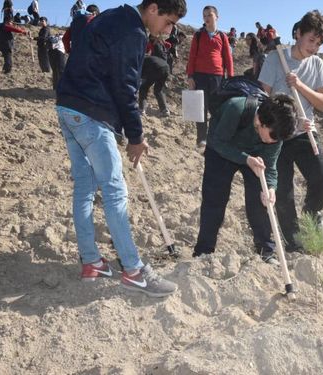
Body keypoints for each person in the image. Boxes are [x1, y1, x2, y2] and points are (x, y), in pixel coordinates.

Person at [55, 0, 187, 297]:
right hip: (90, 113)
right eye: (168, 22)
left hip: (68, 106)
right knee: (115, 191)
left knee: (85, 187)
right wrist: (136, 136)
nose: (168, 30)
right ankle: (134, 270)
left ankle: (91, 262)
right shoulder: (132, 31)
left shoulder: (113, 16)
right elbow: (126, 87)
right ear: (153, 8)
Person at [258, 10, 323, 253]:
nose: (314, 47)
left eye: (319, 43)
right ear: (298, 33)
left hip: (305, 133)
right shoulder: (274, 58)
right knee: (283, 192)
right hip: (277, 137)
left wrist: (299, 85)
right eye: (311, 40)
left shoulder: (317, 64)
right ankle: (293, 242)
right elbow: (261, 96)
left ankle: (312, 215)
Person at [193, 95, 298, 263]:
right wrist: (246, 159)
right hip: (221, 149)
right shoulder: (235, 108)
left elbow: (270, 166)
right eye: (271, 137)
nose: (273, 142)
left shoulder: (276, 131)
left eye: (276, 140)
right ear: (262, 123)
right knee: (214, 199)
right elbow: (218, 142)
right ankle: (203, 250)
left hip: (254, 157)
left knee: (260, 200)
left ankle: (266, 251)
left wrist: (270, 188)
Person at [186, 5, 234, 151]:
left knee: (217, 109)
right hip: (199, 76)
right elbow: (192, 56)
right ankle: (201, 139)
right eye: (205, 15)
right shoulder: (198, 35)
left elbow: (228, 58)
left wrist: (230, 78)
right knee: (200, 108)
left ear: (216, 17)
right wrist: (190, 76)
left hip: (217, 77)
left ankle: (215, 137)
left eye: (210, 15)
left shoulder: (223, 36)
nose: (207, 18)